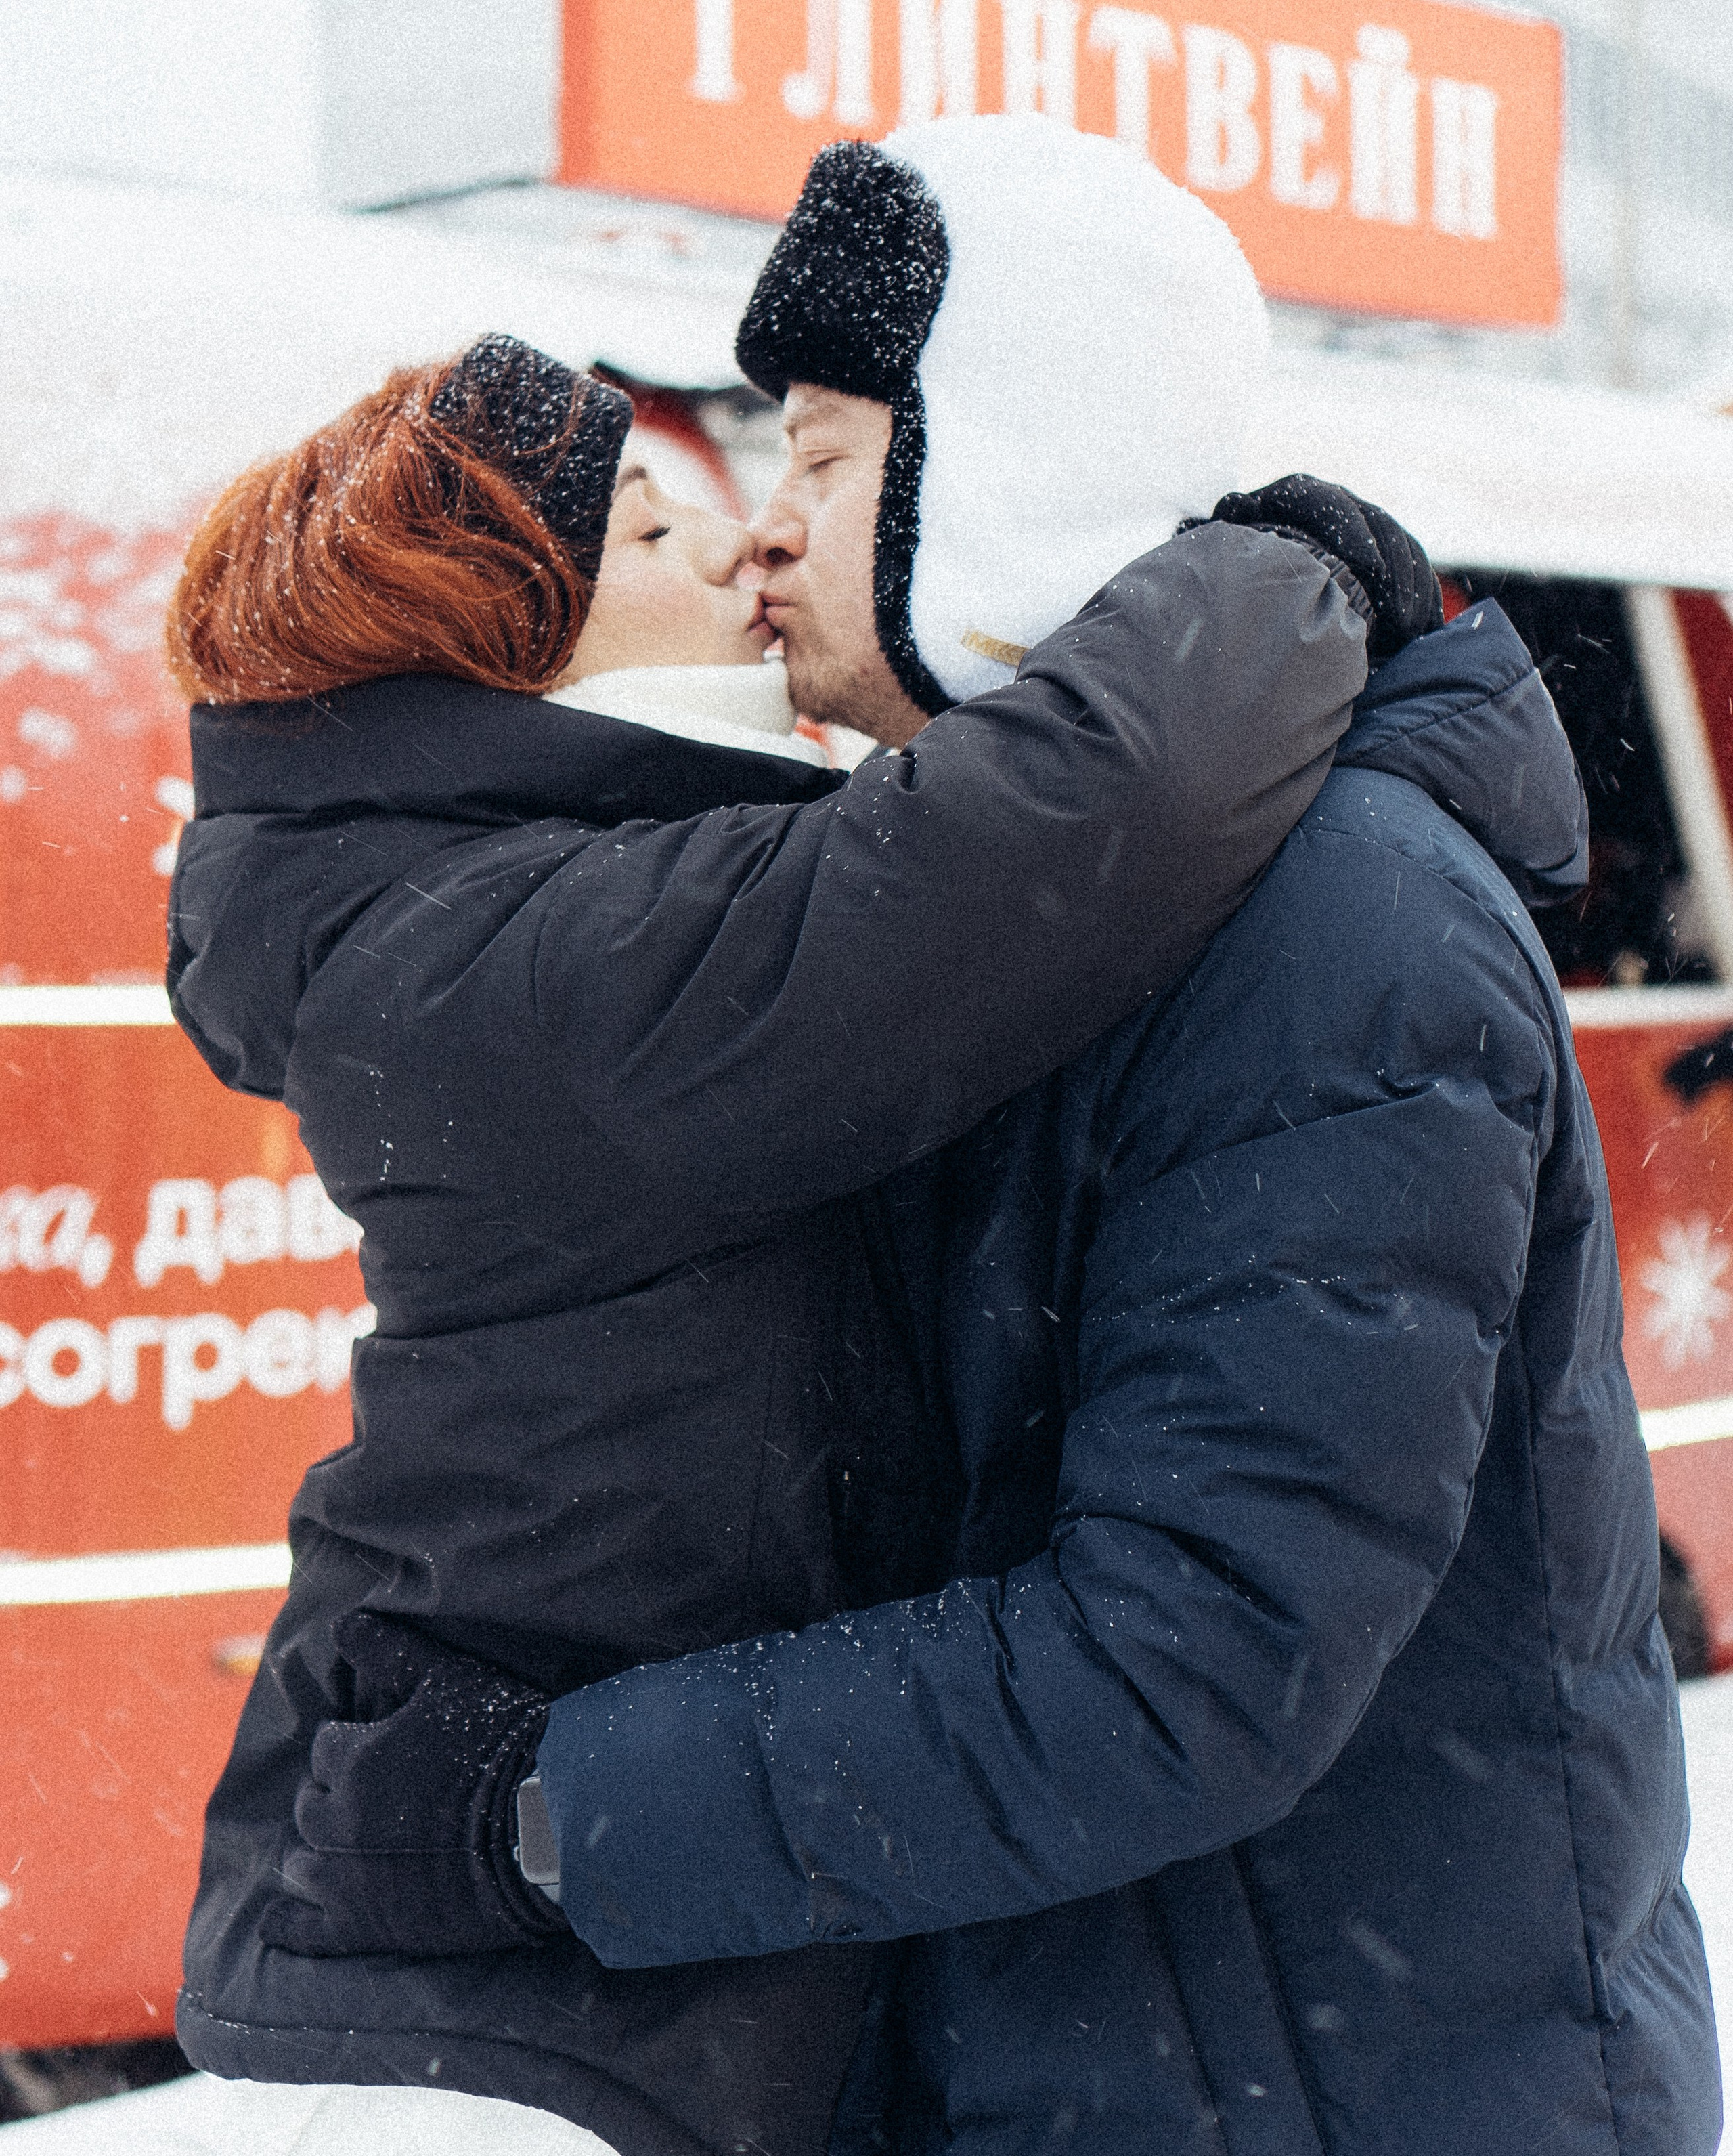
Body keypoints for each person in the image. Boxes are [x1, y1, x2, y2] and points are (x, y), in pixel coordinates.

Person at [276, 116, 1719, 2156]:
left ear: (1007, 477)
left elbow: (1187, 1659)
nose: (766, 536)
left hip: (1340, 2095)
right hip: (1132, 2059)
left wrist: (546, 1811)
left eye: (824, 461)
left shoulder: (1336, 924)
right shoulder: (1005, 929)